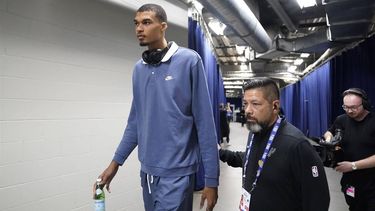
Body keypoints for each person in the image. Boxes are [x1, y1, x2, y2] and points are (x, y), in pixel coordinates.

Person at [93, 4, 219, 211]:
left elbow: (205, 125)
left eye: (146, 22)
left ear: (163, 26)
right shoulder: (139, 69)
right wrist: (115, 164)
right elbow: (135, 124)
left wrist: (212, 180)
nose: (139, 29)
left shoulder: (189, 61)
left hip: (178, 173)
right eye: (136, 23)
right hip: (148, 174)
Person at [219, 77, 330, 211]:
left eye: (255, 104)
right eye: (245, 103)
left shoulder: (296, 144)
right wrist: (221, 152)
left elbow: (318, 200)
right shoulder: (256, 131)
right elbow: (255, 160)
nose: (247, 110)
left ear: (275, 106)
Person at [323, 88, 375, 211]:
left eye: (354, 107)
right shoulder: (341, 119)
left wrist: (353, 165)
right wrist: (329, 138)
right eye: (346, 107)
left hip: (372, 183)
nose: (349, 111)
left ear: (365, 104)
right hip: (350, 181)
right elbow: (329, 131)